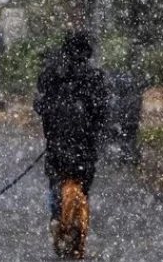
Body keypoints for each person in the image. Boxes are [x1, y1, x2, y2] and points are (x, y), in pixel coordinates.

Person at [33, 31, 109, 232]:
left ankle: (56, 216)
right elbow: (101, 111)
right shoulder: (94, 77)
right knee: (83, 179)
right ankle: (78, 210)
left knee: (55, 177)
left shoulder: (52, 75)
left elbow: (40, 105)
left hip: (56, 140)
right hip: (85, 142)